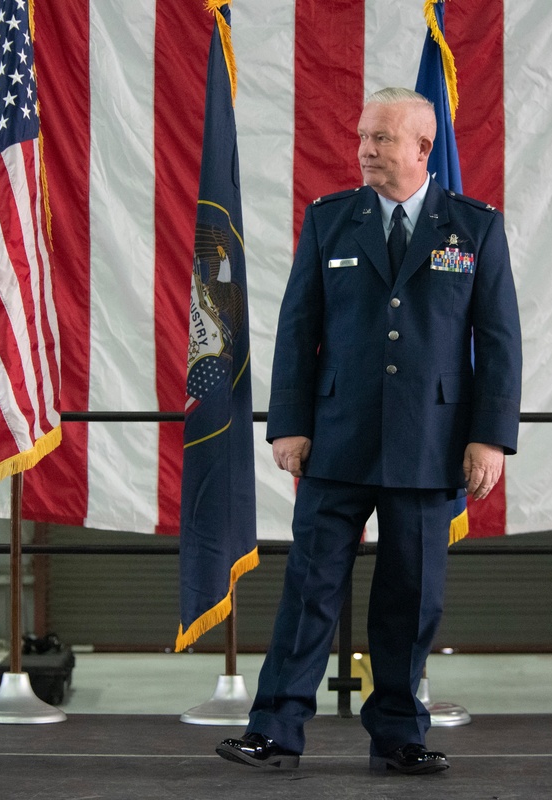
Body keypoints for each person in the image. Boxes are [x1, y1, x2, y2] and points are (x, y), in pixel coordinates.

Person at [216, 87, 522, 775]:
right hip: (336, 436)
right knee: (309, 589)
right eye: (362, 136)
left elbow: (499, 342)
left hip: (431, 442)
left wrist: (490, 436)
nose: (365, 149)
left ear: (422, 147)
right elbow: (298, 329)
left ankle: (399, 735)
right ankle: (276, 730)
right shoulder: (330, 221)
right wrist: (288, 423)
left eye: (382, 138)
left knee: (410, 596)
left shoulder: (474, 227)